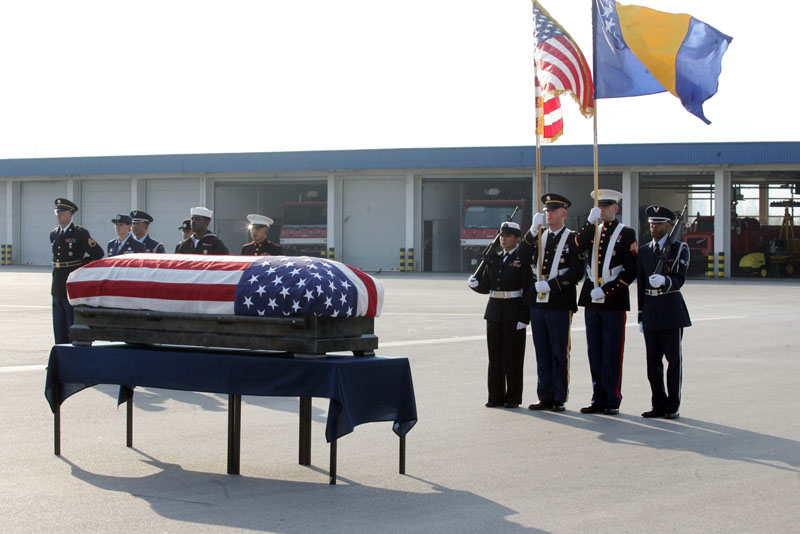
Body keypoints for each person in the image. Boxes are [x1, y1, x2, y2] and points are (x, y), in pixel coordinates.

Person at [574, 189, 638, 415]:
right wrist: (589, 224)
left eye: (606, 206)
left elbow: (630, 271)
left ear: (615, 209)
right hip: (592, 299)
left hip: (613, 300)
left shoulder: (627, 234)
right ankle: (597, 397)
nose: (601, 210)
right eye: (598, 207)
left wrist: (607, 291)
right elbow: (576, 247)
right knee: (595, 352)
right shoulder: (593, 231)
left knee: (611, 351)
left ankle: (612, 398)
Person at [519, 194, 583, 412]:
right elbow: (522, 254)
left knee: (559, 351)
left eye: (553, 211)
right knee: (542, 351)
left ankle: (559, 396)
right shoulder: (539, 236)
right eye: (547, 211)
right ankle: (544, 395)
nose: (549, 214)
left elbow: (576, 271)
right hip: (538, 302)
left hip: (559, 301)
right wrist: (530, 231)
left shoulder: (572, 238)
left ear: (563, 213)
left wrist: (553, 285)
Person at [468, 221, 530, 409]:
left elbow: (527, 289)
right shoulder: (494, 258)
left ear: (517, 239)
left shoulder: (522, 259)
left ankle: (512, 397)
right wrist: (475, 285)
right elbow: (487, 285)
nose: (503, 239)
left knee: (513, 357)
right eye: (501, 235)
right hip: (494, 311)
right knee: (494, 357)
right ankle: (495, 397)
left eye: (508, 235)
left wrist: (524, 317)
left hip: (513, 310)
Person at [637, 205, 691, 419]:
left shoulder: (679, 249)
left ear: (669, 226)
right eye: (651, 224)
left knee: (673, 361)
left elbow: (680, 279)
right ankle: (658, 403)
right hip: (651, 311)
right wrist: (641, 315)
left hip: (671, 310)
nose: (654, 227)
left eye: (658, 224)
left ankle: (672, 404)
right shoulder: (644, 251)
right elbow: (641, 285)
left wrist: (665, 280)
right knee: (653, 363)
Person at [50, 198, 104, 344]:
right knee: (58, 324)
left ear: (70, 214)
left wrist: (81, 265)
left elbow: (98, 253)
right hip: (57, 283)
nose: (58, 215)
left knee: (70, 322)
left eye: (62, 212)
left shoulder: (79, 234)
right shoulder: (54, 234)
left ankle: (72, 352)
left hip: (72, 282)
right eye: (57, 212)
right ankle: (60, 351)